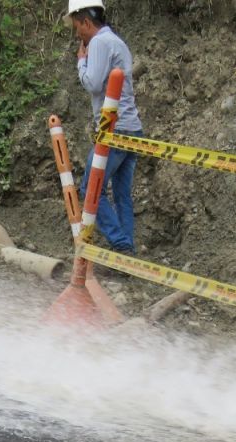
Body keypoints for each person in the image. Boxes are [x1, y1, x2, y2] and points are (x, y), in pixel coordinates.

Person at [65, 0, 143, 254]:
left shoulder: (98, 42)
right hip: (133, 127)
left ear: (86, 21)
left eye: (78, 27)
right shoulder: (118, 41)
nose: (78, 34)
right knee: (122, 196)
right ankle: (127, 254)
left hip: (114, 129)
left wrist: (81, 61)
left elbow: (93, 84)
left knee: (91, 190)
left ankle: (121, 246)